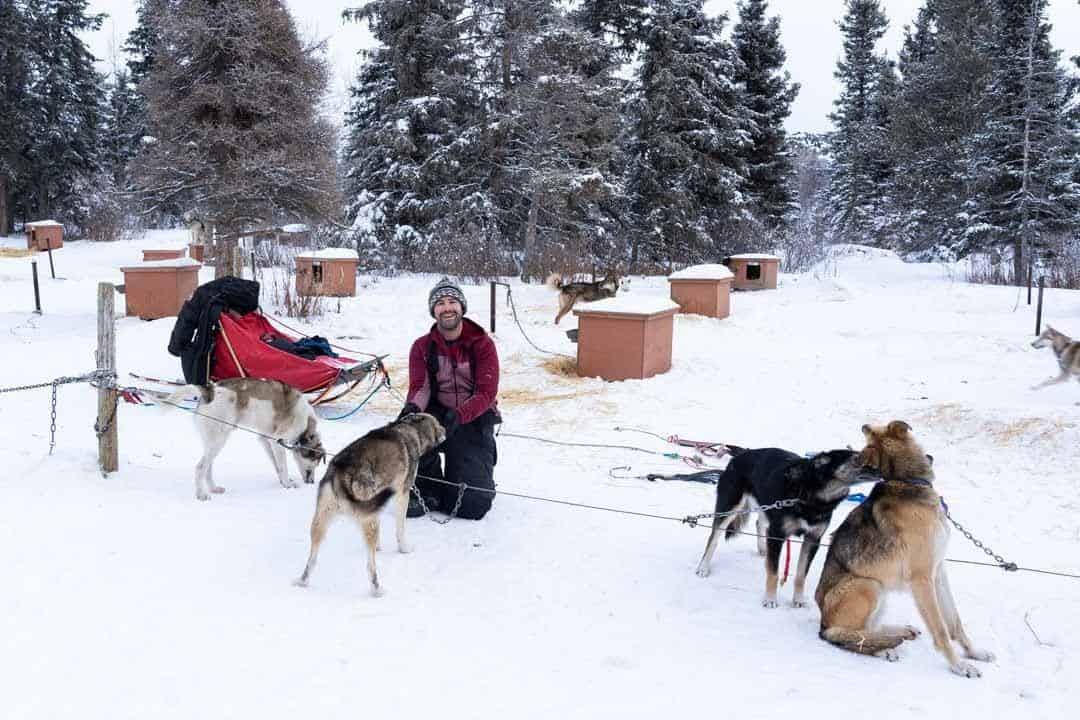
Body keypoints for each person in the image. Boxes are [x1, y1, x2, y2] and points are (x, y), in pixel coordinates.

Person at [399, 277, 500, 519]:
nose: (447, 307)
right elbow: (420, 387)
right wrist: (412, 407)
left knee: (471, 506)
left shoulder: (483, 344)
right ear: (433, 311)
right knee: (410, 430)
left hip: (473, 417)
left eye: (452, 301)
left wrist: (461, 414)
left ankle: (473, 471)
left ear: (462, 307)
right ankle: (429, 483)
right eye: (440, 303)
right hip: (438, 413)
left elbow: (486, 393)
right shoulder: (422, 347)